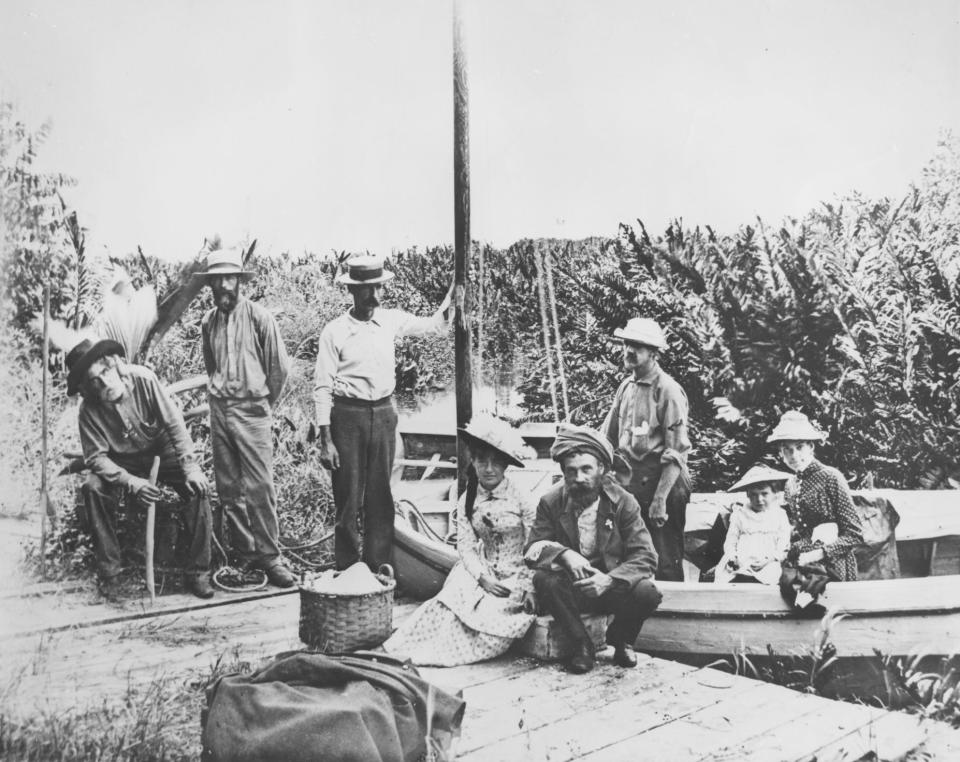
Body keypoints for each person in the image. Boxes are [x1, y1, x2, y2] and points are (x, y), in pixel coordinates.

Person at [314, 255, 452, 571]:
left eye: (377, 287)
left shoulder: (391, 320)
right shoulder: (334, 332)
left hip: (385, 413)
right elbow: (322, 387)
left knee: (381, 495)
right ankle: (348, 571)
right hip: (348, 416)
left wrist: (453, 293)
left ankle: (378, 568)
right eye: (365, 289)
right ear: (351, 291)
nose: (372, 295)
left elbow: (436, 326)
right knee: (348, 498)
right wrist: (326, 440)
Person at [382, 415, 536, 665]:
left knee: (490, 613)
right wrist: (481, 576)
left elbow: (535, 545)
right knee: (448, 602)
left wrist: (531, 585)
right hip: (483, 569)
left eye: (496, 463)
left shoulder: (521, 498)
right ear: (472, 461)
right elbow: (465, 545)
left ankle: (449, 652)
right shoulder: (469, 497)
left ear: (505, 466)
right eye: (481, 461)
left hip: (516, 573)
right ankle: (421, 649)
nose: (488, 469)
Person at [68, 338, 214, 600]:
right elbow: (96, 458)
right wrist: (131, 482)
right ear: (85, 389)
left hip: (161, 450)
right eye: (94, 382)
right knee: (92, 487)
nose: (104, 383)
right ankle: (110, 574)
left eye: (105, 372)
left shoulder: (144, 379)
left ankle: (198, 572)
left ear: (116, 366)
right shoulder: (88, 410)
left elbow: (174, 423)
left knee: (198, 487)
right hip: (121, 461)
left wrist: (190, 467)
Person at [524, 423, 662, 675]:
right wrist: (564, 555)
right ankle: (581, 645)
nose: (579, 478)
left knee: (648, 591)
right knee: (545, 580)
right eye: (572, 471)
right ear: (563, 473)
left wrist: (609, 580)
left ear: (602, 469)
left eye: (587, 469)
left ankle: (622, 641)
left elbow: (646, 556)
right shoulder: (551, 502)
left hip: (610, 589)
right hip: (572, 590)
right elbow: (532, 548)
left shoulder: (623, 503)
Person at [198, 244, 295, 587]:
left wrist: (261, 405)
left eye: (230, 278)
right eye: (217, 279)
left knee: (260, 487)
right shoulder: (209, 321)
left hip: (252, 410)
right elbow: (211, 366)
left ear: (239, 281)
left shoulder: (259, 318)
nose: (224, 285)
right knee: (229, 488)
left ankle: (270, 557)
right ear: (210, 285)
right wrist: (221, 395)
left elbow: (279, 370)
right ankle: (245, 553)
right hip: (219, 410)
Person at [601, 317, 692, 581]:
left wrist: (660, 500)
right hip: (630, 485)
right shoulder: (626, 388)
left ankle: (673, 617)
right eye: (628, 344)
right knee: (631, 554)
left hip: (663, 485)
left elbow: (676, 452)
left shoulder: (668, 391)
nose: (629, 351)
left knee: (664, 556)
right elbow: (608, 438)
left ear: (653, 353)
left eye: (638, 346)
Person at [768, 411, 864, 582]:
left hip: (833, 564)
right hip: (802, 561)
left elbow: (855, 534)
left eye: (799, 447)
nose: (794, 456)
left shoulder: (831, 477)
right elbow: (800, 530)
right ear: (781, 453)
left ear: (811, 447)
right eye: (787, 450)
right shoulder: (790, 484)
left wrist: (818, 554)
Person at [714, 464, 793, 585]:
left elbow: (784, 545)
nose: (759, 499)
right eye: (754, 494)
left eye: (764, 493)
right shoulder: (739, 514)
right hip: (742, 560)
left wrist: (770, 559)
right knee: (727, 576)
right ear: (747, 495)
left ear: (774, 494)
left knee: (771, 575)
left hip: (768, 561)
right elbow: (731, 540)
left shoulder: (779, 515)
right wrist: (733, 557)